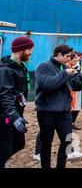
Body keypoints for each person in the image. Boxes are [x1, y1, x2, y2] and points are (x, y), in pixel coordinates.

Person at [35, 44, 82, 168]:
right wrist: (65, 73)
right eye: (67, 56)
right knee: (46, 143)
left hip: (64, 113)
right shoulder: (43, 67)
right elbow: (47, 85)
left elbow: (74, 86)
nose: (69, 59)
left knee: (67, 141)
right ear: (59, 55)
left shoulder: (65, 67)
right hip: (47, 112)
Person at [0, 36, 34, 168]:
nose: (31, 52)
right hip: (6, 117)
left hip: (16, 113)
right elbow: (5, 95)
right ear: (21, 49)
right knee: (6, 148)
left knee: (19, 144)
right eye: (29, 49)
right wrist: (14, 116)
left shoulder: (20, 66)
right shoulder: (6, 70)